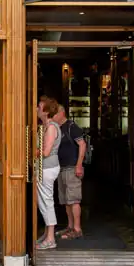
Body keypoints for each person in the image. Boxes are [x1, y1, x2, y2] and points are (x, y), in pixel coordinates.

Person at [52, 104, 86, 240]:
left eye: (55, 113)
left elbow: (82, 145)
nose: (53, 116)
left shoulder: (72, 126)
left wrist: (79, 165)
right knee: (66, 200)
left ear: (62, 113)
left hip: (72, 167)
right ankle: (70, 226)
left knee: (74, 199)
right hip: (61, 167)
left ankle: (77, 229)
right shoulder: (57, 128)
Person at [35, 96, 61, 250]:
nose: (37, 109)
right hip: (45, 168)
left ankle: (50, 239)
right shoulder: (46, 126)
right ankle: (46, 234)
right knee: (44, 201)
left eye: (39, 106)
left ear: (45, 111)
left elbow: (45, 152)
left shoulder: (51, 127)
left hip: (47, 168)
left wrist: (28, 151)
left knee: (46, 202)